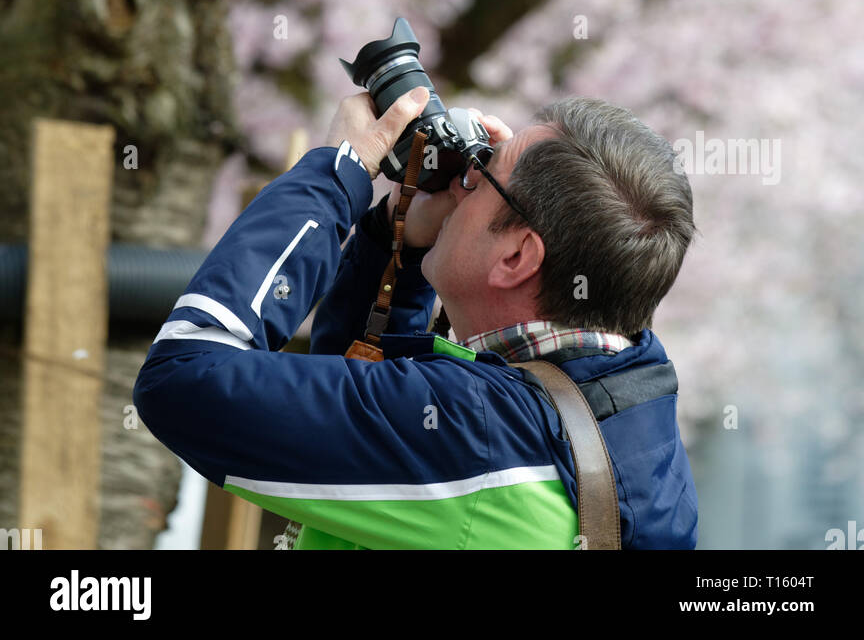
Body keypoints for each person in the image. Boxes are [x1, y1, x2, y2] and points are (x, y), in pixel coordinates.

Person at [133, 86, 698, 550]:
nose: (459, 181)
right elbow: (363, 394)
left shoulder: (475, 431)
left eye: (482, 176)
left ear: (517, 256)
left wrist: (337, 174)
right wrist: (394, 242)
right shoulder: (627, 416)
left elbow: (183, 380)